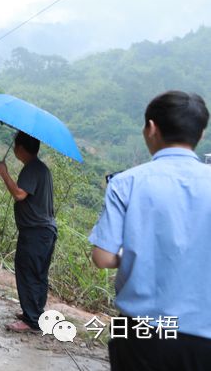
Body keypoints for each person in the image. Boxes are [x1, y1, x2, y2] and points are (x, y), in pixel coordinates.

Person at [89, 90, 211, 370]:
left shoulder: (126, 182)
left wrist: (131, 253)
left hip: (142, 334)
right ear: (200, 134)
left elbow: (102, 258)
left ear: (151, 128)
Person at [0, 131, 56, 333]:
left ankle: (31, 320)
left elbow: (20, 194)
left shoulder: (32, 169)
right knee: (38, 274)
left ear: (21, 148)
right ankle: (35, 314)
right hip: (44, 232)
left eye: (15, 147)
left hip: (35, 232)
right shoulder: (41, 169)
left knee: (28, 273)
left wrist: (4, 173)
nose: (13, 150)